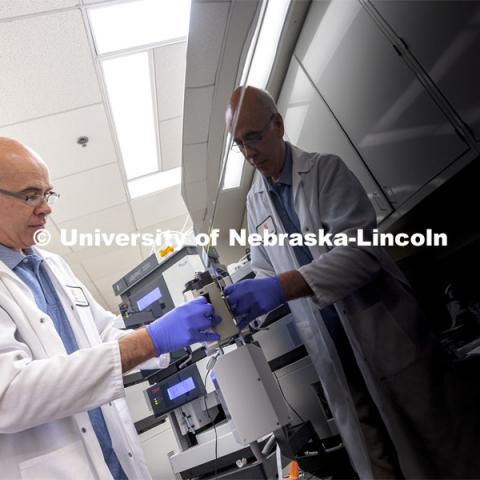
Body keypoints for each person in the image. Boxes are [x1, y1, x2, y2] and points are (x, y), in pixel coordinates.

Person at [223, 86, 479, 479]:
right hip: (336, 361)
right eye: (239, 144)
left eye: (253, 137)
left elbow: (361, 254)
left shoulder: (325, 171)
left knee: (442, 454)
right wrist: (242, 306)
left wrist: (280, 287)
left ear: (278, 124)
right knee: (377, 465)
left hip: (387, 342)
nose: (248, 153)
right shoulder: (256, 202)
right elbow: (264, 269)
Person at [0, 137, 221, 479]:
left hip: (119, 464)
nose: (46, 208)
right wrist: (150, 341)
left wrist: (180, 330)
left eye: (48, 194)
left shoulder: (54, 265)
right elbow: (10, 394)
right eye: (31, 195)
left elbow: (103, 333)